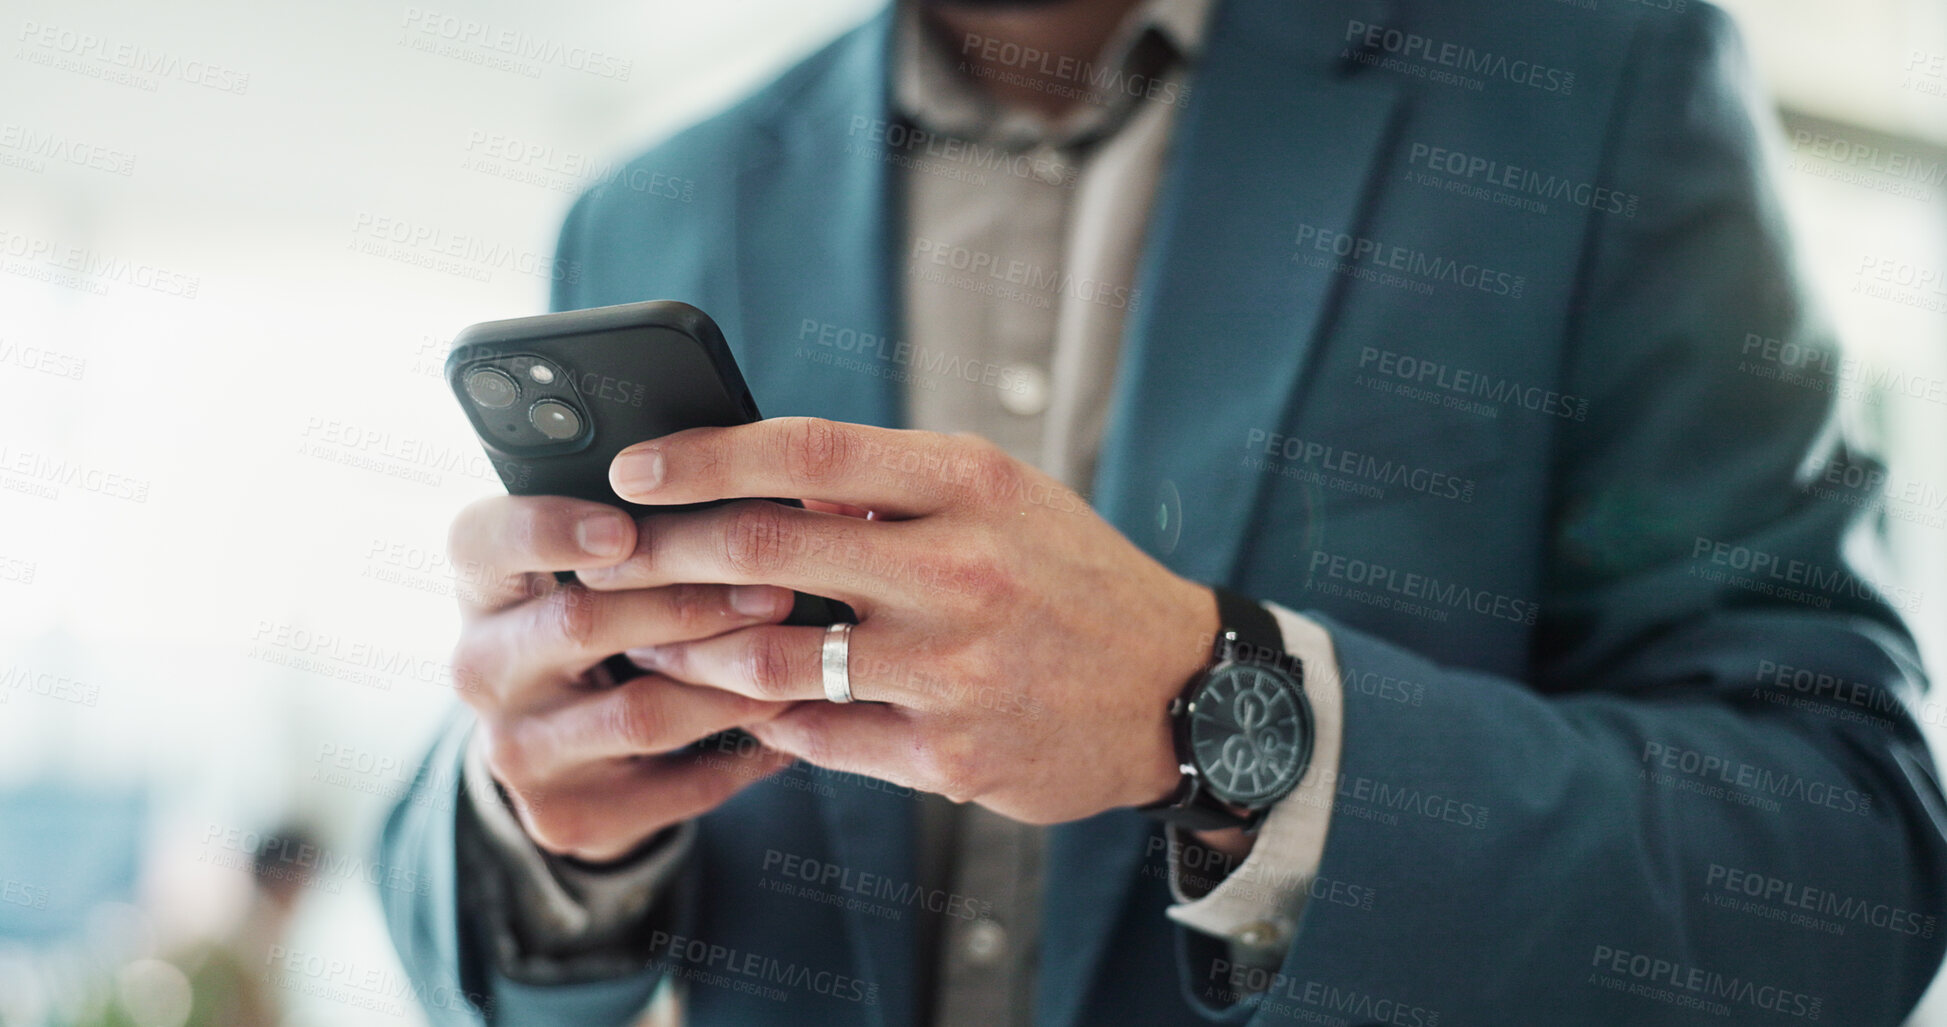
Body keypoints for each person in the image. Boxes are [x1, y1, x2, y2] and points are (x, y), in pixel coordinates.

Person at [380, 0, 1947, 1023]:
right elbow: (496, 861)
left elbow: (1848, 865)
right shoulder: (651, 208)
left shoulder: (1598, 85)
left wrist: (1223, 709)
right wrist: (543, 821)